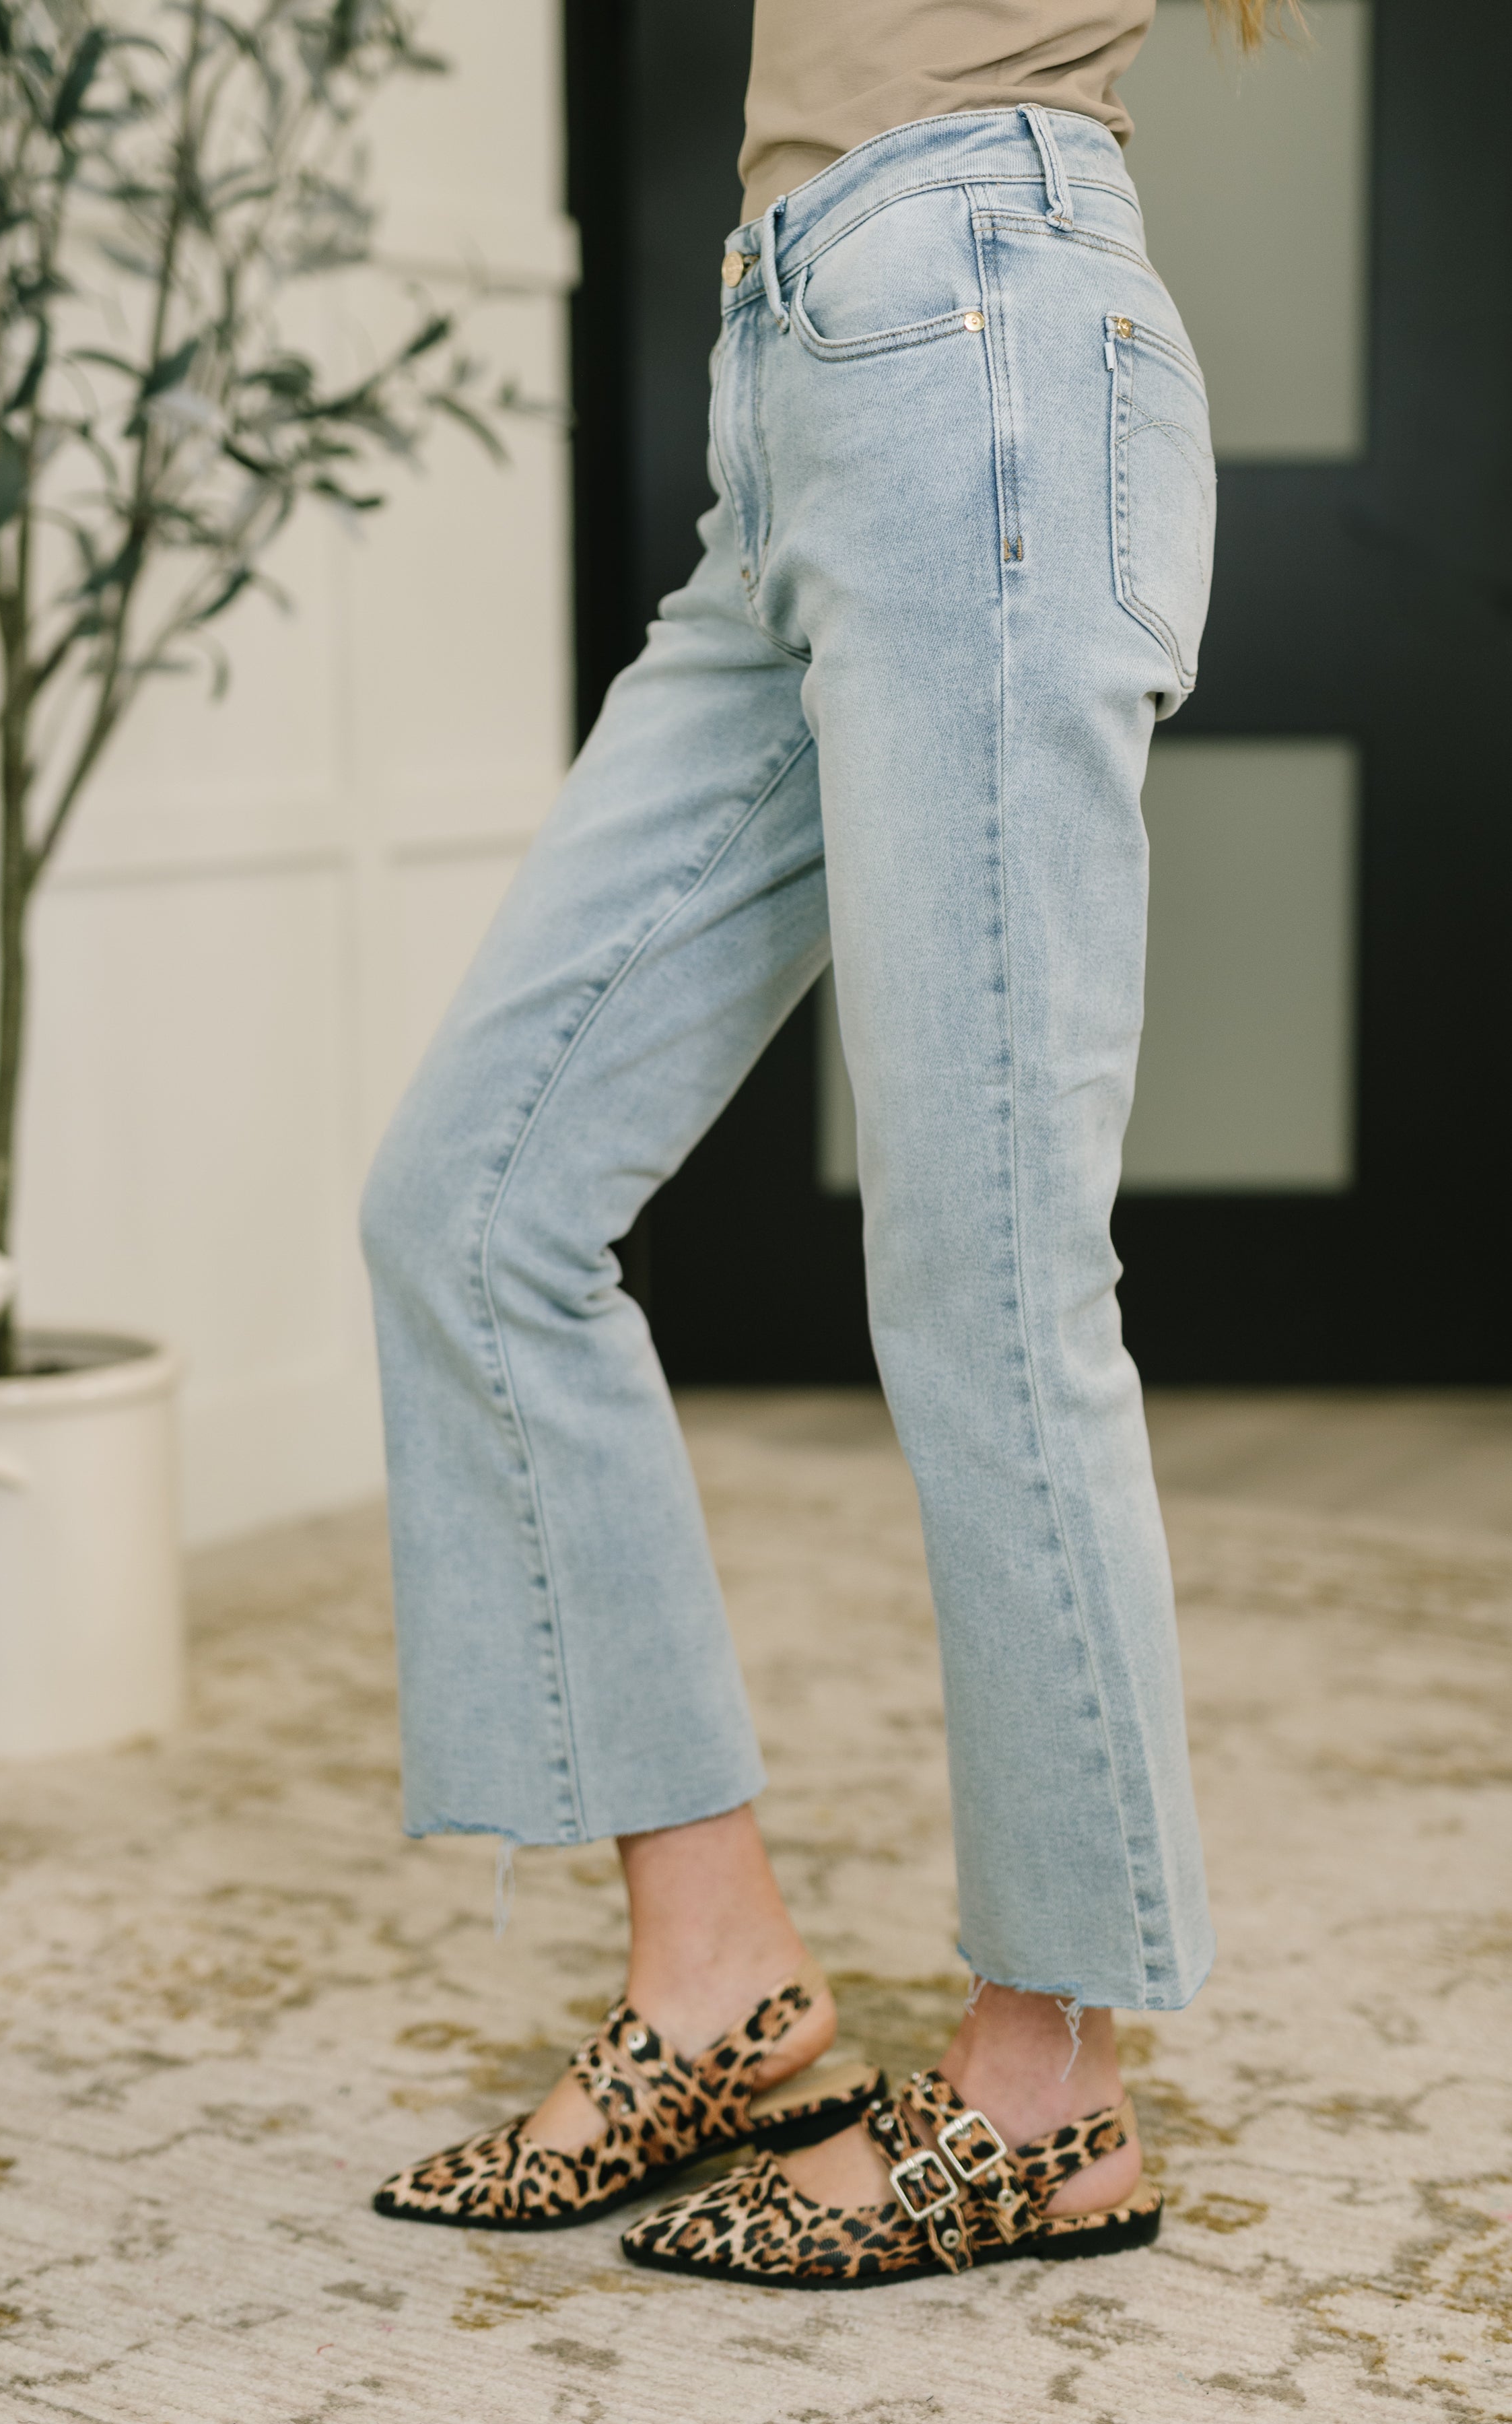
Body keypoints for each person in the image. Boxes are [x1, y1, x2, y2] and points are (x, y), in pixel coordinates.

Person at [358, 0, 1270, 2289]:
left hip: (979, 328)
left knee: (987, 1279)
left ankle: (1051, 2085)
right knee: (469, 1205)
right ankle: (721, 1988)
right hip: (799, 380)